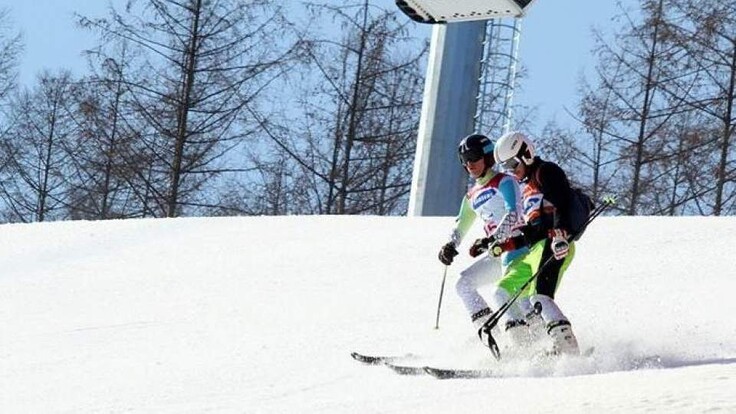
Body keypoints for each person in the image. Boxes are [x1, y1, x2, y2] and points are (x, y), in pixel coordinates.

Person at [489, 130, 581, 355]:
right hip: (534, 250)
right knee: (501, 291)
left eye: (513, 163)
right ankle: (521, 346)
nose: (511, 170)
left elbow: (562, 202)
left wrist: (562, 233)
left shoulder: (546, 171)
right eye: (506, 167)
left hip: (554, 245)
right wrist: (509, 244)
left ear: (526, 154)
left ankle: (568, 349)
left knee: (539, 296)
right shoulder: (526, 186)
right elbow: (535, 229)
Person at [437, 133, 533, 349]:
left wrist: (492, 239)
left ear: (488, 157)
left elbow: (515, 214)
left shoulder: (504, 181)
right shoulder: (472, 196)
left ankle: (529, 346)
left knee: (515, 298)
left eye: (473, 157)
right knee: (464, 284)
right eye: (464, 160)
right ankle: (494, 340)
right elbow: (461, 225)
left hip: (518, 249)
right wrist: (450, 245)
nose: (469, 164)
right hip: (496, 253)